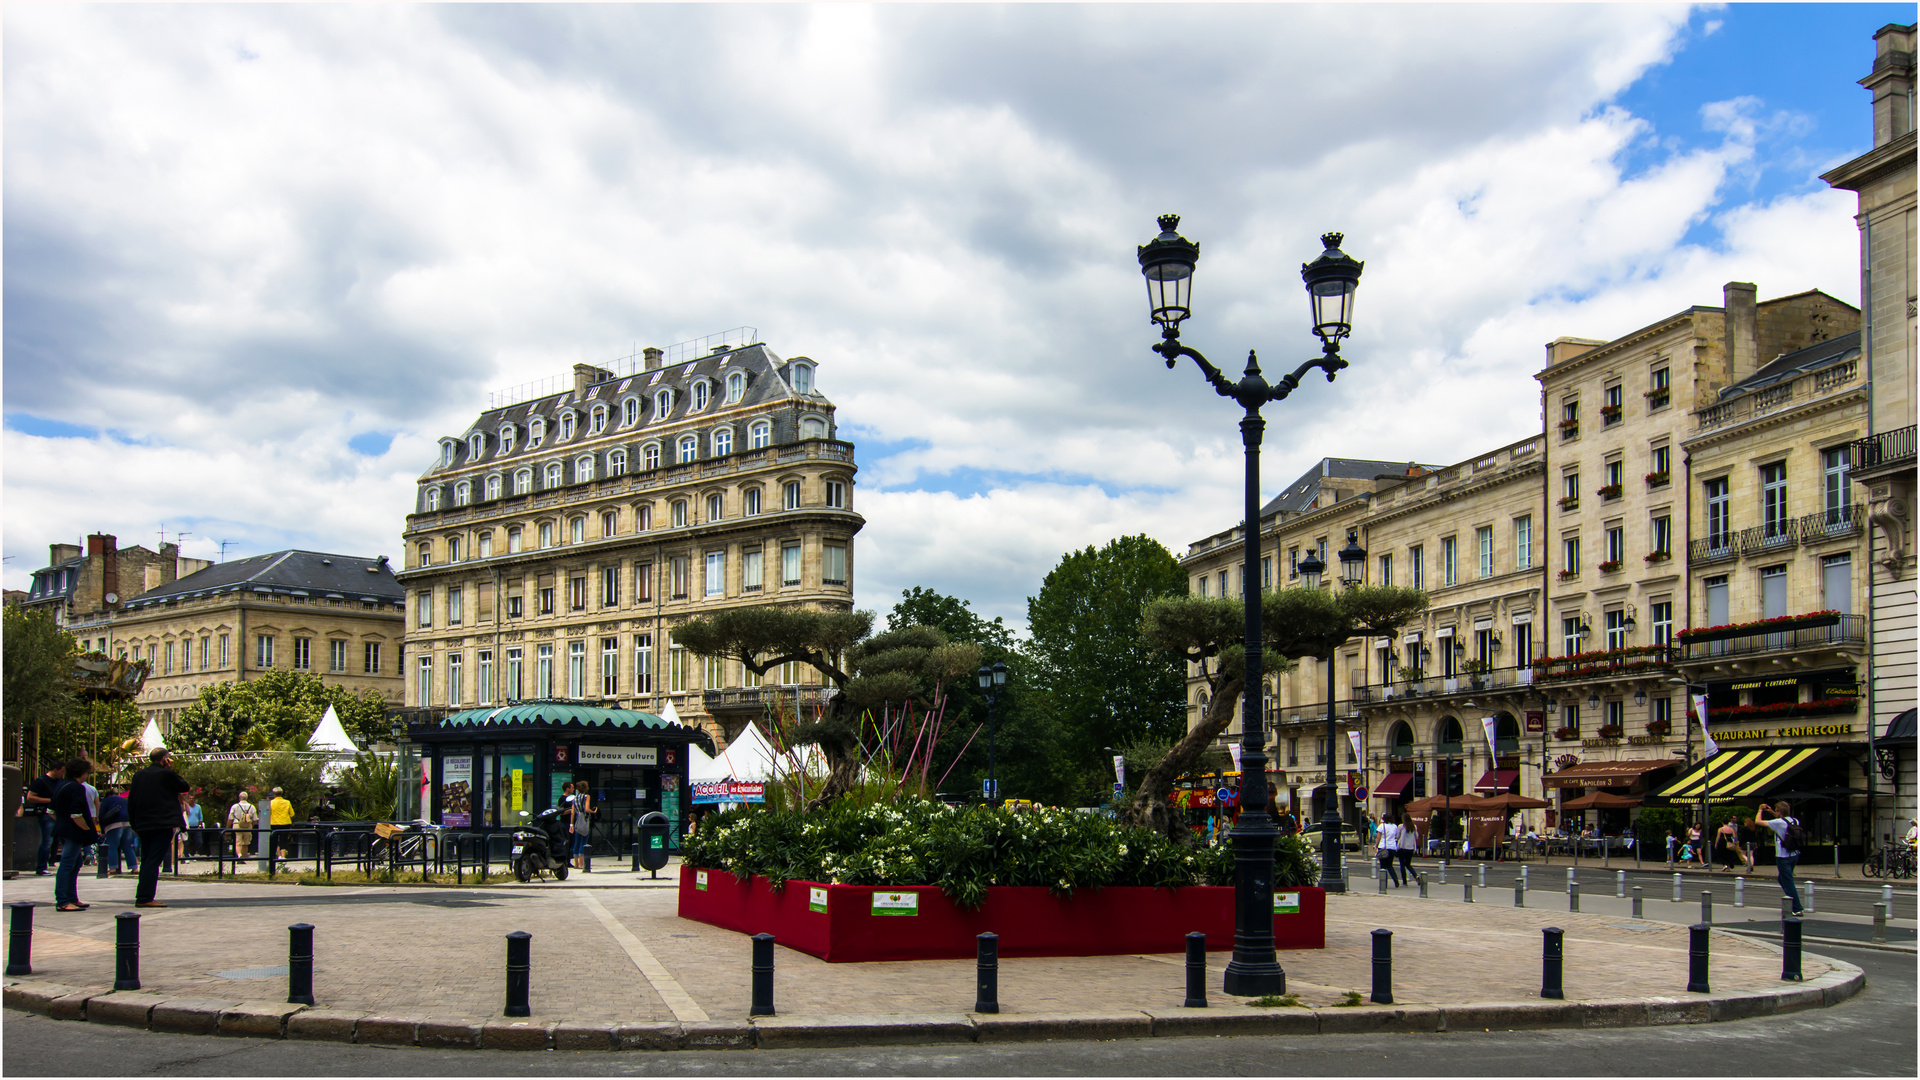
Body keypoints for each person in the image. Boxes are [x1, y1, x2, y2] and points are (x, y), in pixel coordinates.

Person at [128, 747, 191, 908]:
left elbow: (132, 800)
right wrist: (171, 770)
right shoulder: (166, 774)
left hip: (143, 823)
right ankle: (145, 897)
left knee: (147, 859)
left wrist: (133, 823)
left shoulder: (139, 775)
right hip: (162, 823)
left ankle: (142, 895)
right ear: (164, 759)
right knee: (153, 861)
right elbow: (184, 786)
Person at [51, 758, 98, 912]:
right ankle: (63, 900)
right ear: (82, 773)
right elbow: (76, 813)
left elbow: (50, 811)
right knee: (67, 863)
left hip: (62, 829)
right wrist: (86, 829)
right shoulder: (77, 788)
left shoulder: (61, 786)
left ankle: (71, 897)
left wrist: (62, 821)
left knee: (75, 863)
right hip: (73, 831)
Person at [1758, 801, 1803, 916]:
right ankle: (1791, 900)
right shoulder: (1795, 820)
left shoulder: (1778, 823)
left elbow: (1758, 822)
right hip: (1794, 854)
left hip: (1783, 856)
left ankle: (1796, 908)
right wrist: (1773, 812)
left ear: (1780, 812)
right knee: (1782, 879)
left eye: (1777, 810)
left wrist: (1760, 810)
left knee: (1788, 882)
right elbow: (1783, 821)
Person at [25, 762, 64, 875]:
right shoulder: (40, 781)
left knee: (56, 839)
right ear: (55, 770)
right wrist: (49, 801)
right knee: (47, 840)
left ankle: (50, 861)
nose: (63, 773)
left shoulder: (59, 782)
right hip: (45, 813)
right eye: (61, 771)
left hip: (57, 813)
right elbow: (30, 797)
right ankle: (41, 867)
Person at [96, 784, 135, 877]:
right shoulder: (123, 800)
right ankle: (134, 868)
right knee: (127, 846)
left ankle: (113, 868)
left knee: (112, 846)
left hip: (113, 825)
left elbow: (101, 816)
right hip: (127, 824)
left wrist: (102, 830)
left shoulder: (106, 801)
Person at [571, 781, 594, 869]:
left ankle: (576, 864)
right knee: (583, 842)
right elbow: (587, 809)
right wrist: (593, 811)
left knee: (576, 842)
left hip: (577, 821)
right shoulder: (586, 797)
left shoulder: (574, 798)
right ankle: (581, 864)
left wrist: (571, 824)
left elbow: (572, 812)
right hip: (584, 820)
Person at [228, 792, 258, 857]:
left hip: (237, 824)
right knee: (245, 843)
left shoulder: (235, 806)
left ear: (239, 798)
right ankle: (243, 857)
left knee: (238, 842)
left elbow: (230, 818)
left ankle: (239, 855)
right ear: (247, 798)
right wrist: (251, 825)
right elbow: (255, 819)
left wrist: (227, 827)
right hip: (247, 826)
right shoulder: (251, 806)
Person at [1376, 815, 1403, 887]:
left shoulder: (1382, 826)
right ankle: (1396, 880)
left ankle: (1384, 883)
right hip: (1392, 847)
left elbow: (1378, 837)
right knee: (1390, 865)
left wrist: (1375, 845)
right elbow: (1397, 836)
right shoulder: (1395, 826)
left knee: (1383, 866)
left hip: (1383, 847)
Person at [268, 787, 294, 859]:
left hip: (274, 823)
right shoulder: (287, 802)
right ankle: (283, 856)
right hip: (285, 823)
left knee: (274, 840)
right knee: (284, 840)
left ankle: (274, 855)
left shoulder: (271, 803)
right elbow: (292, 814)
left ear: (274, 794)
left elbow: (267, 813)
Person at [1395, 811, 1419, 884]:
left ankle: (1404, 881)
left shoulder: (1401, 826)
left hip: (1402, 847)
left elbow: (1397, 836)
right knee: (1408, 864)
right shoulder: (1414, 826)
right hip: (1411, 847)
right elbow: (1417, 836)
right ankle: (1416, 876)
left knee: (1402, 865)